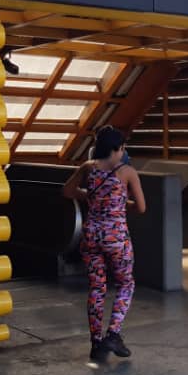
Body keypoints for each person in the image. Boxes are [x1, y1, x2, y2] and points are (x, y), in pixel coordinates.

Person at [63, 126, 146, 362]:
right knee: (125, 284)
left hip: (91, 236)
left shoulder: (88, 168)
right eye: (122, 148)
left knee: (97, 289)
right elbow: (141, 207)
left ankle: (95, 343)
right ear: (116, 149)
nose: (123, 151)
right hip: (116, 238)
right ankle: (113, 334)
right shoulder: (127, 172)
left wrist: (90, 196)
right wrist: (122, 203)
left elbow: (67, 191)